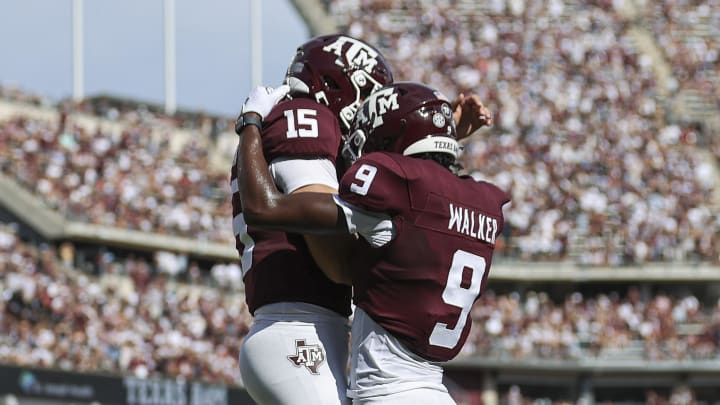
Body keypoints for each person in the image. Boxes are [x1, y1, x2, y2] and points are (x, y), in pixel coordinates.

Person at [236, 81, 510, 404]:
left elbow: (263, 207)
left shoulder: (397, 189)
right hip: (435, 391)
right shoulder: (477, 198)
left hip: (389, 395)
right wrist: (440, 128)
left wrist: (250, 122)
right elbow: (425, 209)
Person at [231, 34, 393, 405]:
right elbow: (334, 259)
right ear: (339, 86)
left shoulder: (285, 123)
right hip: (299, 329)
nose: (371, 110)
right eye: (367, 95)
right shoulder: (305, 118)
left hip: (305, 329)